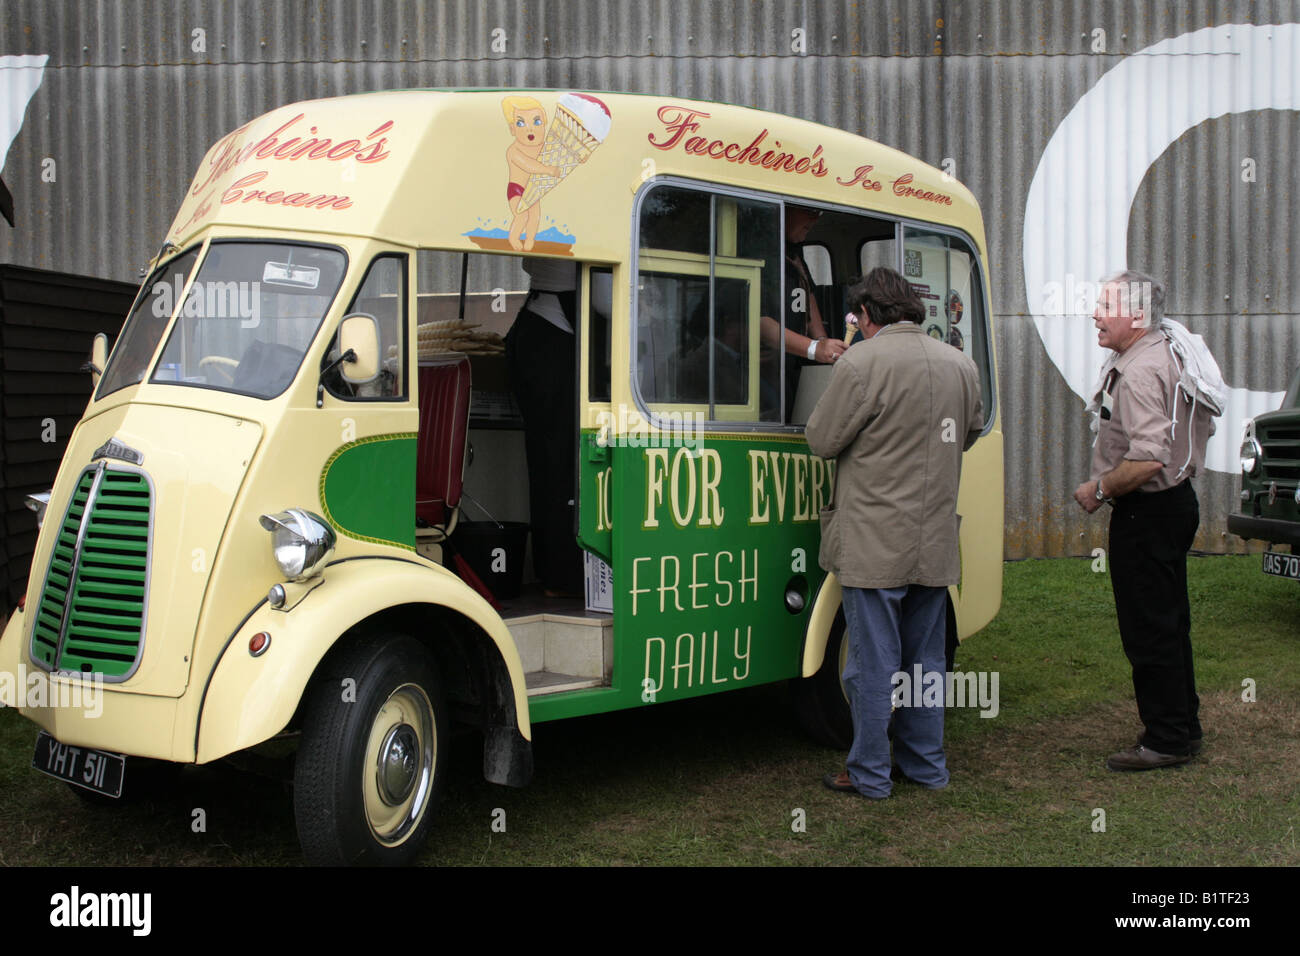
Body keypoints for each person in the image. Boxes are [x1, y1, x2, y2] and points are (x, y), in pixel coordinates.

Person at [806, 267, 982, 799]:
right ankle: (926, 767)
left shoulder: (862, 362)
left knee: (871, 665)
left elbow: (821, 438)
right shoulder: (960, 364)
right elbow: (969, 432)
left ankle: (870, 774)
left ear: (865, 316)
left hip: (873, 540)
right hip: (932, 538)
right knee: (925, 661)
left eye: (854, 318)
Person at [1072, 270, 1216, 771]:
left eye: (1105, 305)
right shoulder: (1168, 351)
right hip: (1176, 504)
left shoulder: (1138, 370)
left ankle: (1167, 739)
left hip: (1149, 511)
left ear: (1136, 315)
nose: (1094, 313)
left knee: (1149, 626)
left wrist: (1100, 488)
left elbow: (1150, 457)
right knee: (1171, 621)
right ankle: (1181, 724)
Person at [506, 258, 583, 597]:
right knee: (561, 467)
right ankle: (565, 575)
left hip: (532, 329)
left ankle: (552, 573)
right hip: (555, 342)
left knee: (546, 464)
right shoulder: (590, 224)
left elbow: (527, 262)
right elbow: (607, 302)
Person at [760, 205, 847, 419]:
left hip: (795, 364)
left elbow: (807, 296)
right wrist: (815, 348)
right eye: (809, 211)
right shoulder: (760, 249)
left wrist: (823, 341)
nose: (815, 220)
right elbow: (758, 322)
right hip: (764, 366)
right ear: (784, 210)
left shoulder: (795, 251)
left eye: (819, 213)